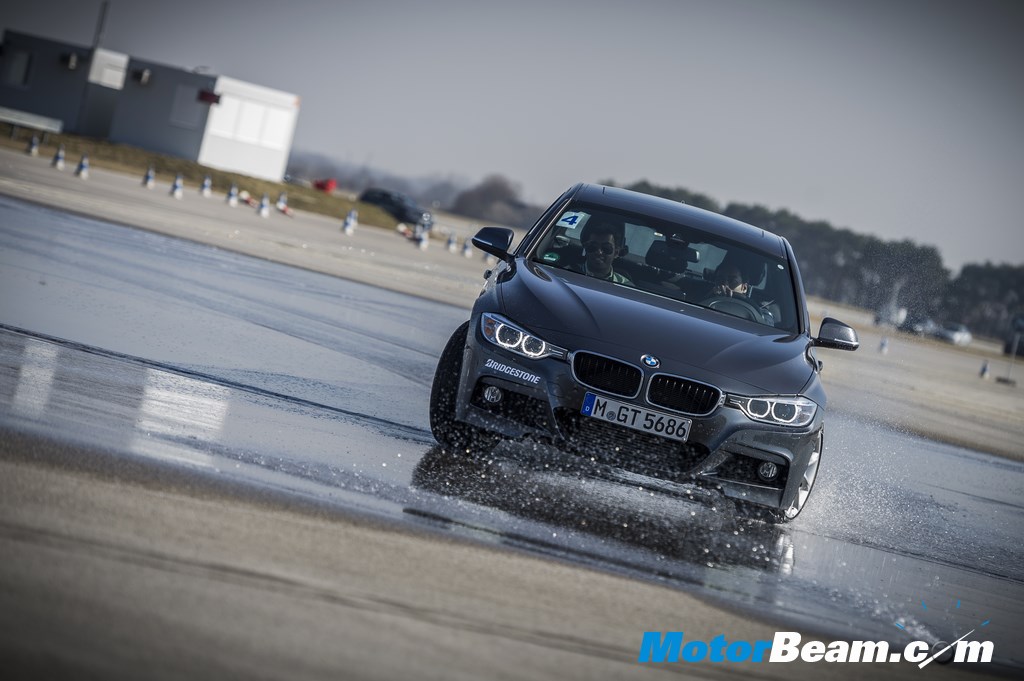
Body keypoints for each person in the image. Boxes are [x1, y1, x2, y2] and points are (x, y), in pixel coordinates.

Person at [574, 219, 634, 285]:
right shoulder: (567, 274)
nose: (599, 252)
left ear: (616, 253)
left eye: (606, 248)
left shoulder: (626, 286)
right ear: (586, 248)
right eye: (593, 246)